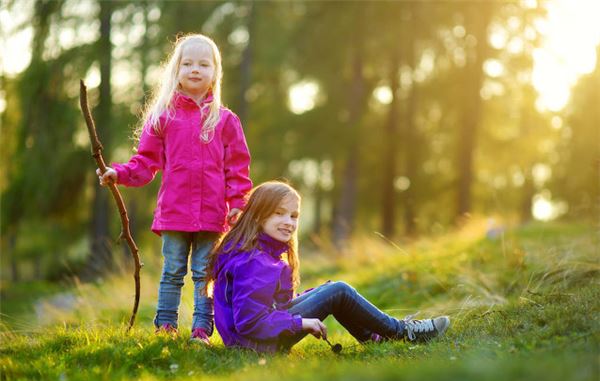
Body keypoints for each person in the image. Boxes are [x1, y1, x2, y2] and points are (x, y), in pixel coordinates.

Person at [97, 34, 252, 345]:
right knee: (172, 272)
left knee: (204, 274)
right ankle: (165, 329)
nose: (195, 69)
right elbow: (145, 163)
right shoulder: (162, 116)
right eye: (188, 63)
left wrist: (238, 202)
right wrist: (119, 173)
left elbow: (237, 168)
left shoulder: (224, 119)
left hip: (211, 215)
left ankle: (201, 331)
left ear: (215, 73)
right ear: (176, 70)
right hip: (174, 212)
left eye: (203, 64)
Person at [210, 181, 450, 353]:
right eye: (279, 214)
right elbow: (250, 322)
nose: (288, 222)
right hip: (255, 345)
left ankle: (376, 338)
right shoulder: (254, 262)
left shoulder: (259, 253)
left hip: (251, 341)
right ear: (258, 216)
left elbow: (273, 306)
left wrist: (312, 300)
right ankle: (402, 332)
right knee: (338, 291)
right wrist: (300, 322)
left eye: (293, 216)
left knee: (332, 290)